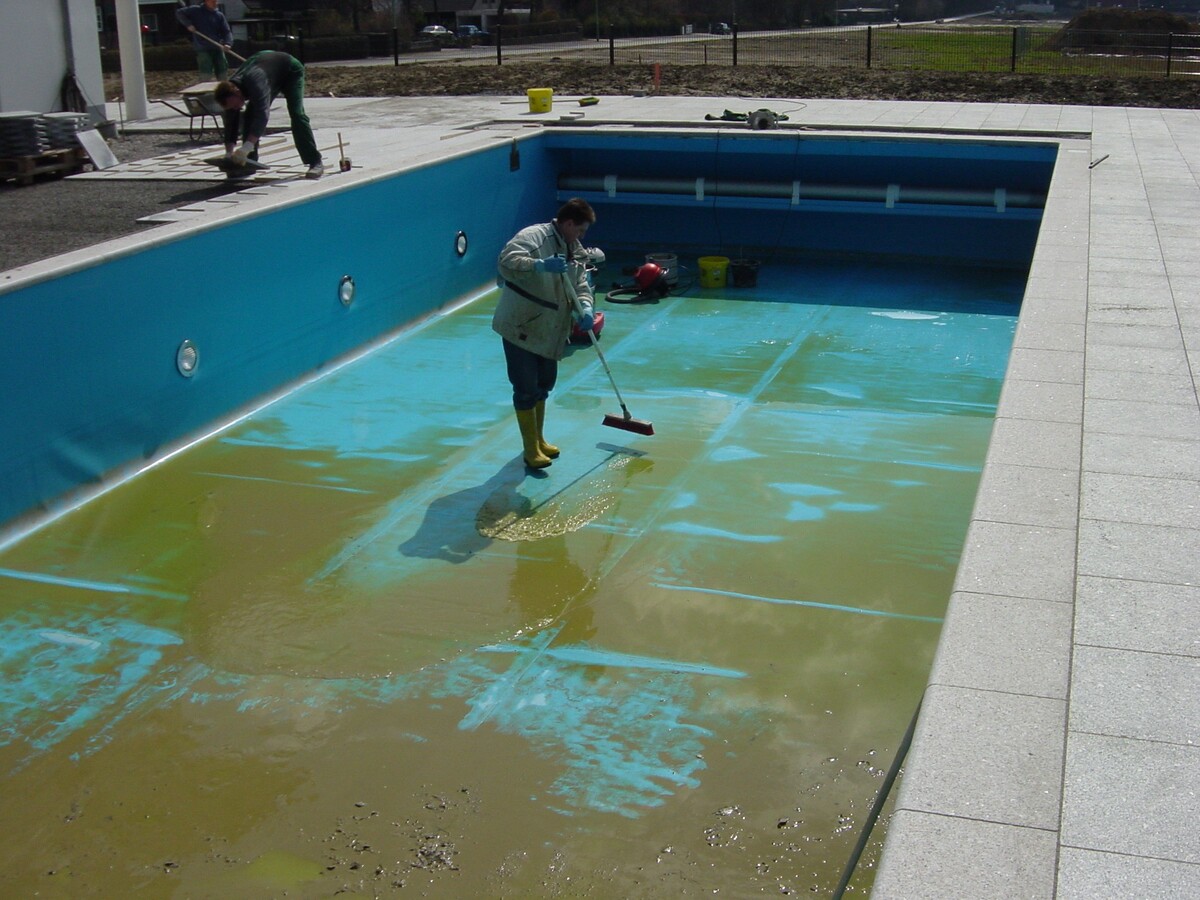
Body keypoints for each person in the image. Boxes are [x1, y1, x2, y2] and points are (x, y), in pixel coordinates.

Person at [493, 198, 598, 469]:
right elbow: (507, 261)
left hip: (550, 329)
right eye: (580, 230)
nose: (582, 237)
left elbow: (581, 284)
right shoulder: (533, 237)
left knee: (544, 385)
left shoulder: (574, 249)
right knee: (526, 387)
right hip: (522, 326)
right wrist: (539, 265)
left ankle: (539, 439)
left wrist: (585, 307)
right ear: (568, 223)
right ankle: (530, 450)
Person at [213, 51, 323, 179]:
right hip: (267, 67)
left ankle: (315, 161)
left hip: (290, 70)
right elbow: (231, 121)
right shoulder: (230, 90)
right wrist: (228, 153)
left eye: (235, 105)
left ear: (237, 92)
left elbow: (262, 115)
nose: (236, 108)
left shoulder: (256, 82)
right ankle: (248, 162)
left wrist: (246, 147)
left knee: (297, 114)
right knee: (249, 115)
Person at [175, 0, 234, 80]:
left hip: (218, 47)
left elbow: (226, 32)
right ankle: (205, 89)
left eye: (215, 1)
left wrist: (228, 43)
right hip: (203, 47)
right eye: (212, 1)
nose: (215, 3)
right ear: (206, 1)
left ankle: (223, 88)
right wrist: (188, 24)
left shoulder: (219, 16)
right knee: (205, 70)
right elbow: (179, 13)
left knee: (222, 68)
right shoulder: (196, 11)